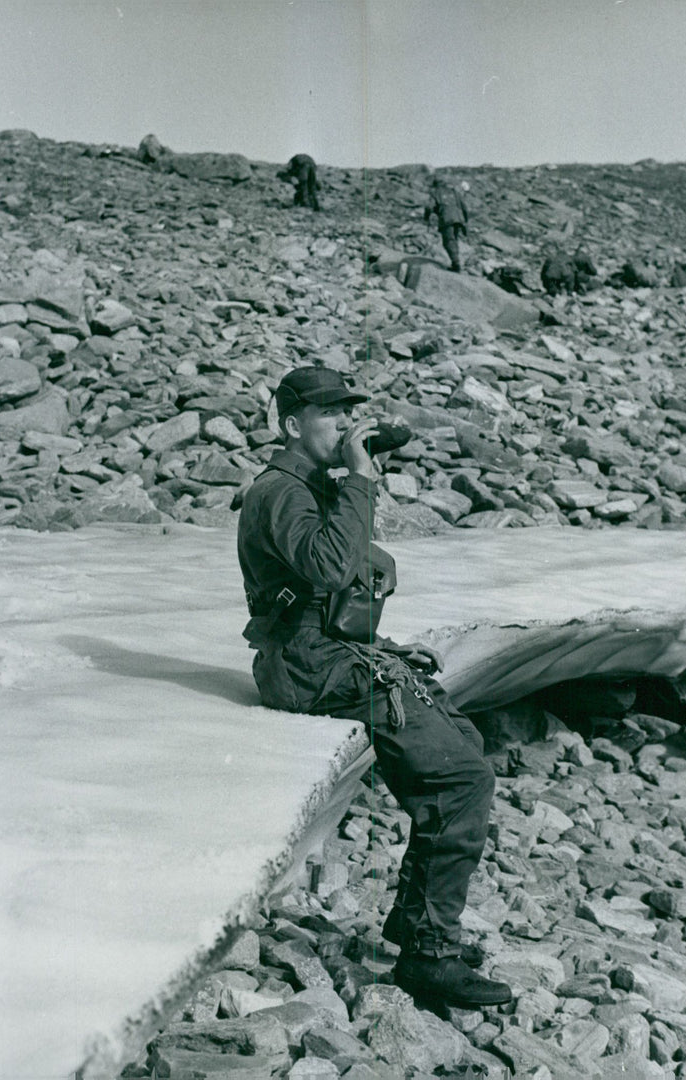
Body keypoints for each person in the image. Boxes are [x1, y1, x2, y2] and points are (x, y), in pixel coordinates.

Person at [237, 365, 512, 1009]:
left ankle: (423, 928)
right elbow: (330, 569)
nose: (343, 422)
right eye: (329, 414)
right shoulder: (279, 491)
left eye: (346, 411)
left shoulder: (313, 485)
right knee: (459, 777)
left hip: (332, 652)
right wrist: (360, 481)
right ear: (290, 425)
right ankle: (429, 955)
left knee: (463, 747)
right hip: (307, 665)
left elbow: (334, 586)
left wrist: (382, 648)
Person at [424, 177, 468, 272]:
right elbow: (464, 206)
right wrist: (465, 220)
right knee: (454, 239)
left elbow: (428, 207)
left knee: (448, 241)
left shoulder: (436, 193)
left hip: (447, 219)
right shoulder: (454, 192)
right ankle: (455, 262)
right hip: (459, 219)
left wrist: (426, 217)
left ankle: (456, 264)